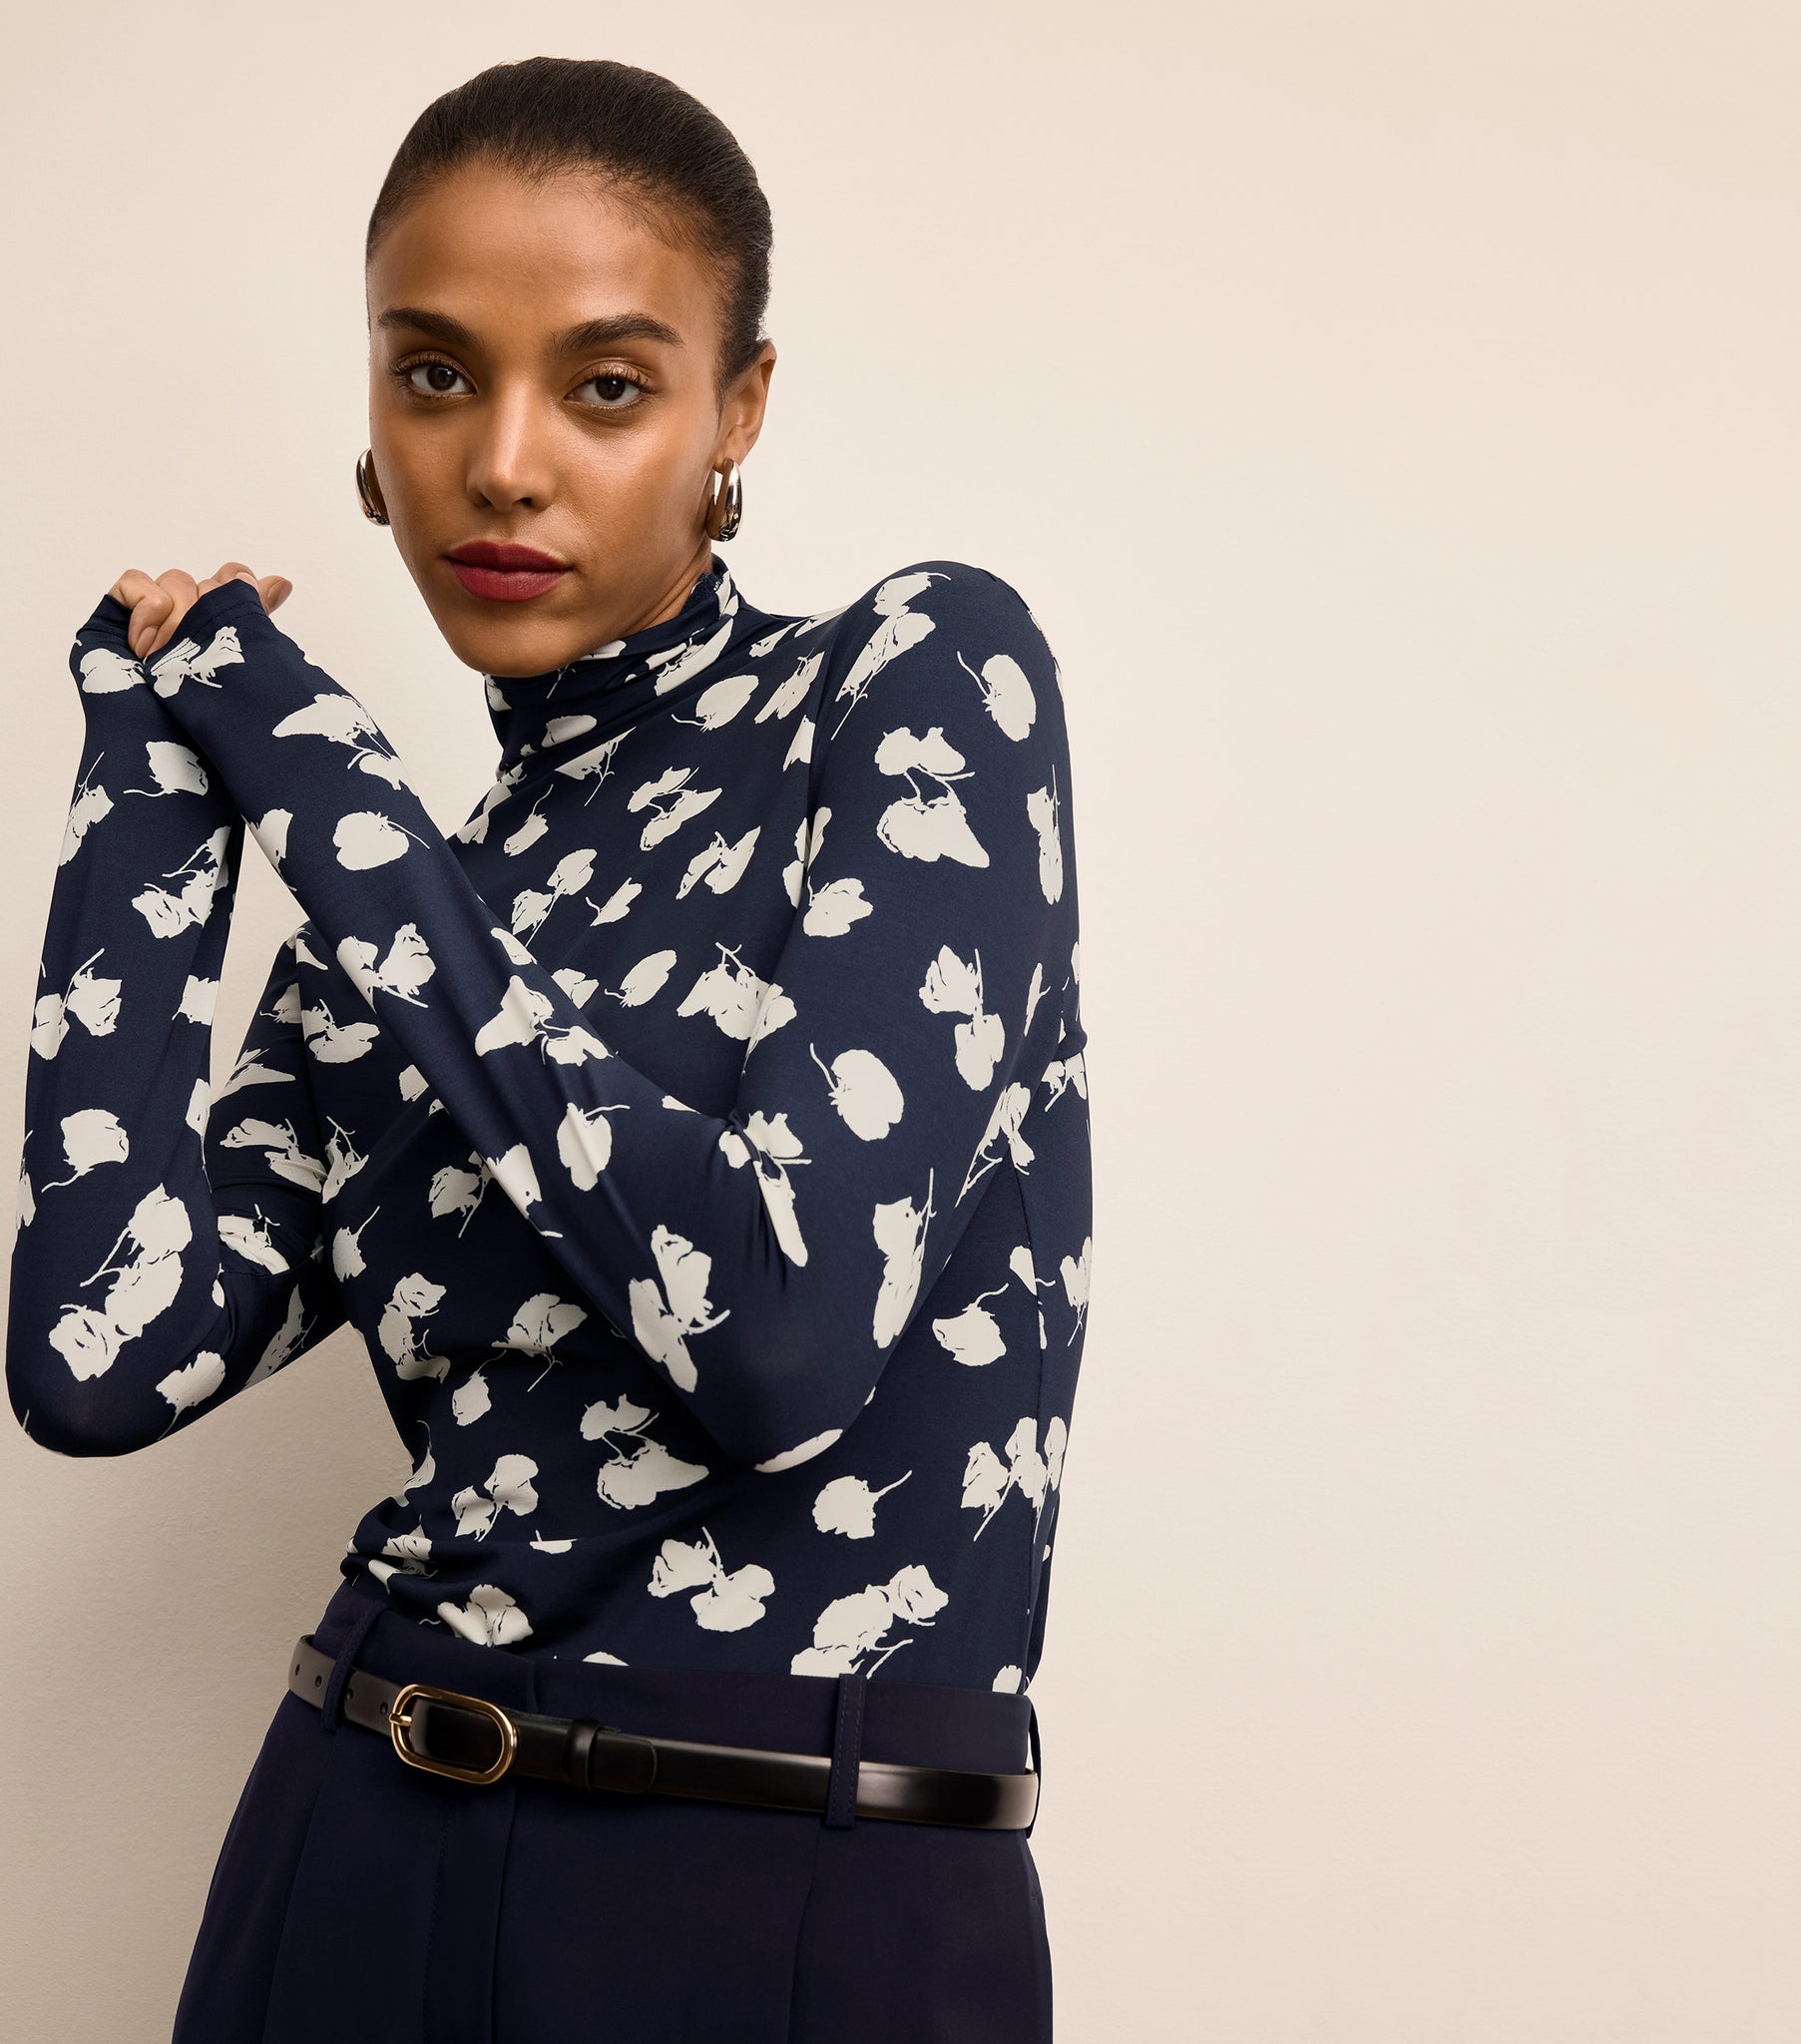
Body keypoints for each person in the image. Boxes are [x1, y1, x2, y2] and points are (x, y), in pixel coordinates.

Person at [6, 56, 1090, 2043]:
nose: (501, 464)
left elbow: (780, 1337)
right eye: (432, 374)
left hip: (785, 1886)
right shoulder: (405, 910)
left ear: (733, 408)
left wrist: (324, 797)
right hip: (349, 1846)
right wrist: (149, 810)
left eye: (604, 383)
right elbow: (93, 1357)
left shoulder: (913, 682)